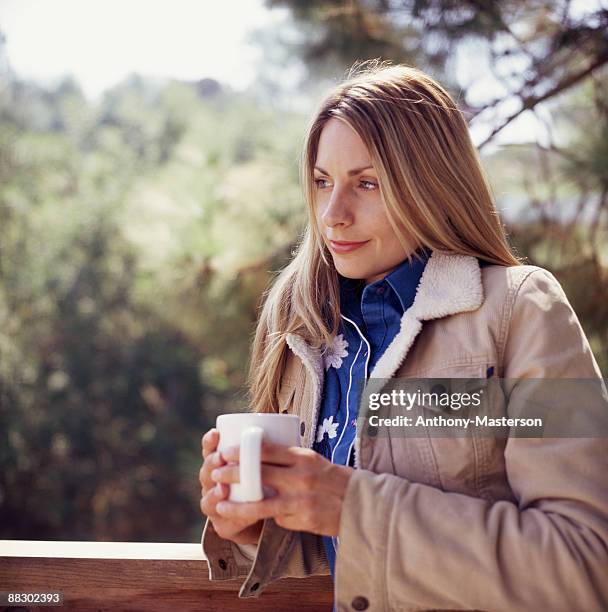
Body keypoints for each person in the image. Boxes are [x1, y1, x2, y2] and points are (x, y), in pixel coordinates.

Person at [198, 60, 608, 611]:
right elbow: (344, 559)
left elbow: (585, 564)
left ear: (430, 185)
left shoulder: (520, 310)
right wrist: (253, 526)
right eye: (323, 182)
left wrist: (351, 506)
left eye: (367, 183)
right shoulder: (302, 326)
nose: (332, 215)